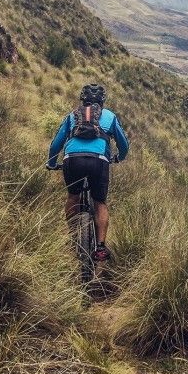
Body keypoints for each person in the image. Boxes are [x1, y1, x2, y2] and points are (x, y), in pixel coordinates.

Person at [47, 84, 129, 261]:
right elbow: (124, 145)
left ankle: (73, 236)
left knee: (73, 196)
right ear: (102, 102)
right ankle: (100, 247)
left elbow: (56, 144)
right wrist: (119, 157)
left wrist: (51, 163)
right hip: (99, 161)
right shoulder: (110, 116)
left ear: (82, 100)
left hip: (72, 160)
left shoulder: (71, 116)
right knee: (100, 201)